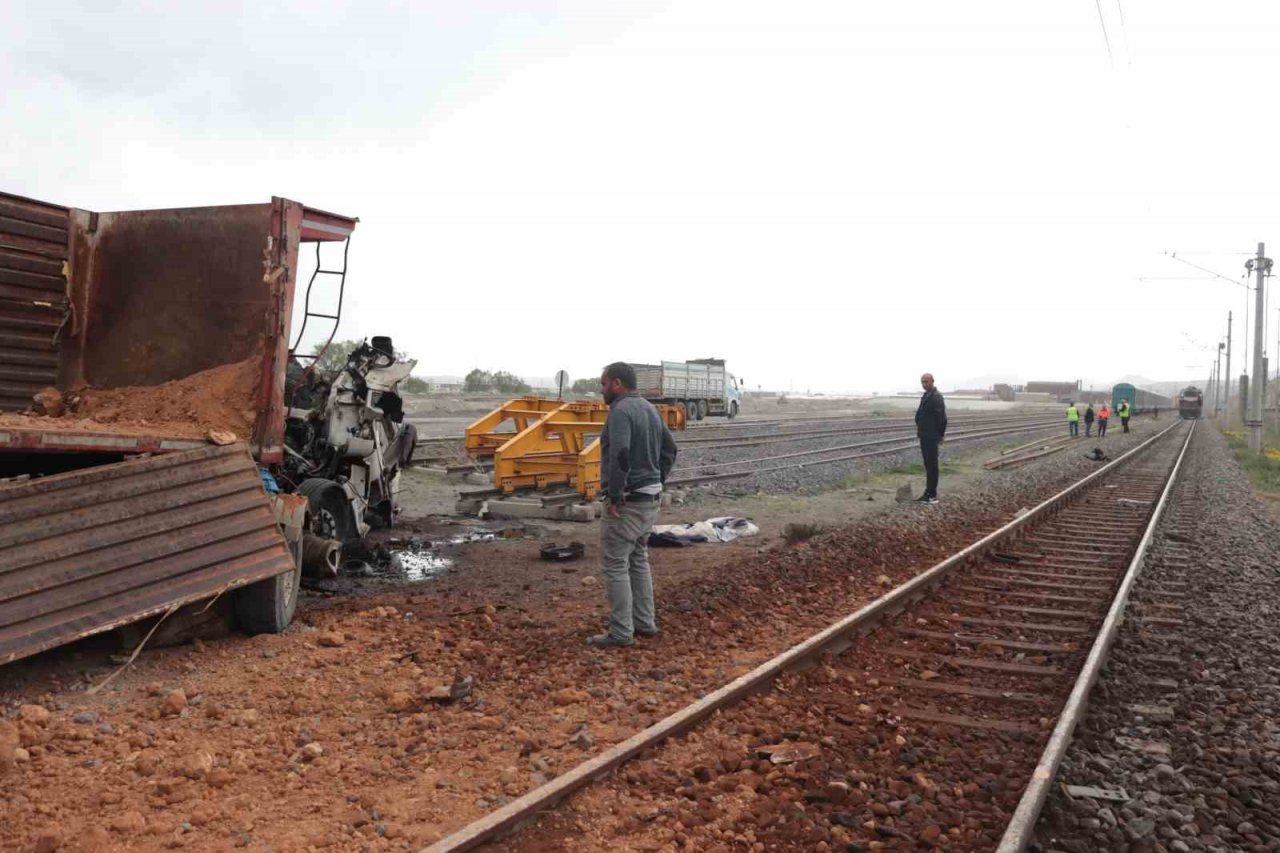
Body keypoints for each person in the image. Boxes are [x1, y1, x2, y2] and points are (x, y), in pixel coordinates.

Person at [588, 362, 678, 648]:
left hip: (627, 502)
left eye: (603, 384)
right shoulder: (650, 409)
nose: (601, 390)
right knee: (638, 559)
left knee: (615, 564)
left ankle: (621, 633)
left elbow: (621, 454)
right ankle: (644, 622)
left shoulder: (620, 411)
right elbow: (671, 449)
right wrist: (657, 479)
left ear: (616, 383)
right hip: (649, 500)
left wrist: (615, 494)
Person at [914, 373, 947, 504]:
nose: (924, 384)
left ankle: (932, 495)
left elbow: (942, 419)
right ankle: (928, 492)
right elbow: (920, 414)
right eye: (922, 382)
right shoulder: (926, 395)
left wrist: (939, 435)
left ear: (932, 381)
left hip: (931, 437)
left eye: (926, 381)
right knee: (928, 465)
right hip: (924, 435)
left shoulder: (936, 397)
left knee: (932, 465)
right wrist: (919, 423)